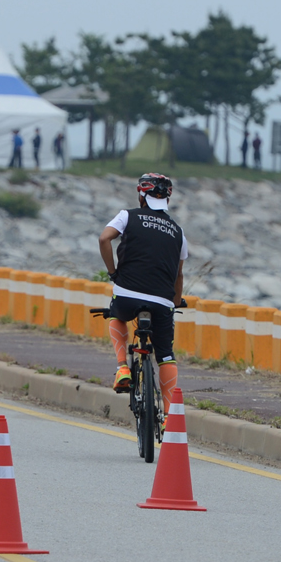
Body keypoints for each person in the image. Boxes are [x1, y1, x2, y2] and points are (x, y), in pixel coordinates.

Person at [96, 172, 188, 404]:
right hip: (162, 301)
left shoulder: (127, 216)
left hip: (127, 292)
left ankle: (122, 368)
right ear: (166, 200)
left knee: (117, 316)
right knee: (166, 356)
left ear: (141, 196)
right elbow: (178, 274)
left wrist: (113, 273)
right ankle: (168, 416)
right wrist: (175, 301)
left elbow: (104, 239)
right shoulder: (178, 232)